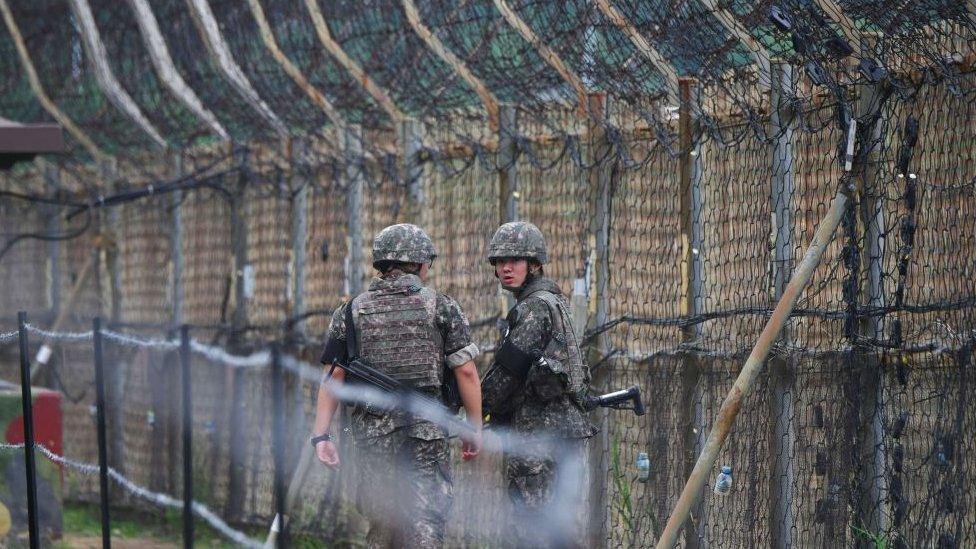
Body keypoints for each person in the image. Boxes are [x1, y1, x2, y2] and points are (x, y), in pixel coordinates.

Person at [311, 223, 483, 548]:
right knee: (425, 522)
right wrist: (472, 427)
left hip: (373, 438)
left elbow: (333, 377)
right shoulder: (441, 306)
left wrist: (321, 436)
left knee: (383, 524)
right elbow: (467, 373)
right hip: (426, 434)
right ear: (420, 264)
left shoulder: (351, 311)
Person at [481, 221, 597, 548]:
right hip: (563, 433)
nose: (505, 268)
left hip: (538, 436)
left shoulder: (534, 306)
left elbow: (507, 373)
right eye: (499, 262)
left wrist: (474, 407)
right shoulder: (553, 301)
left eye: (515, 261)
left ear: (534, 264)